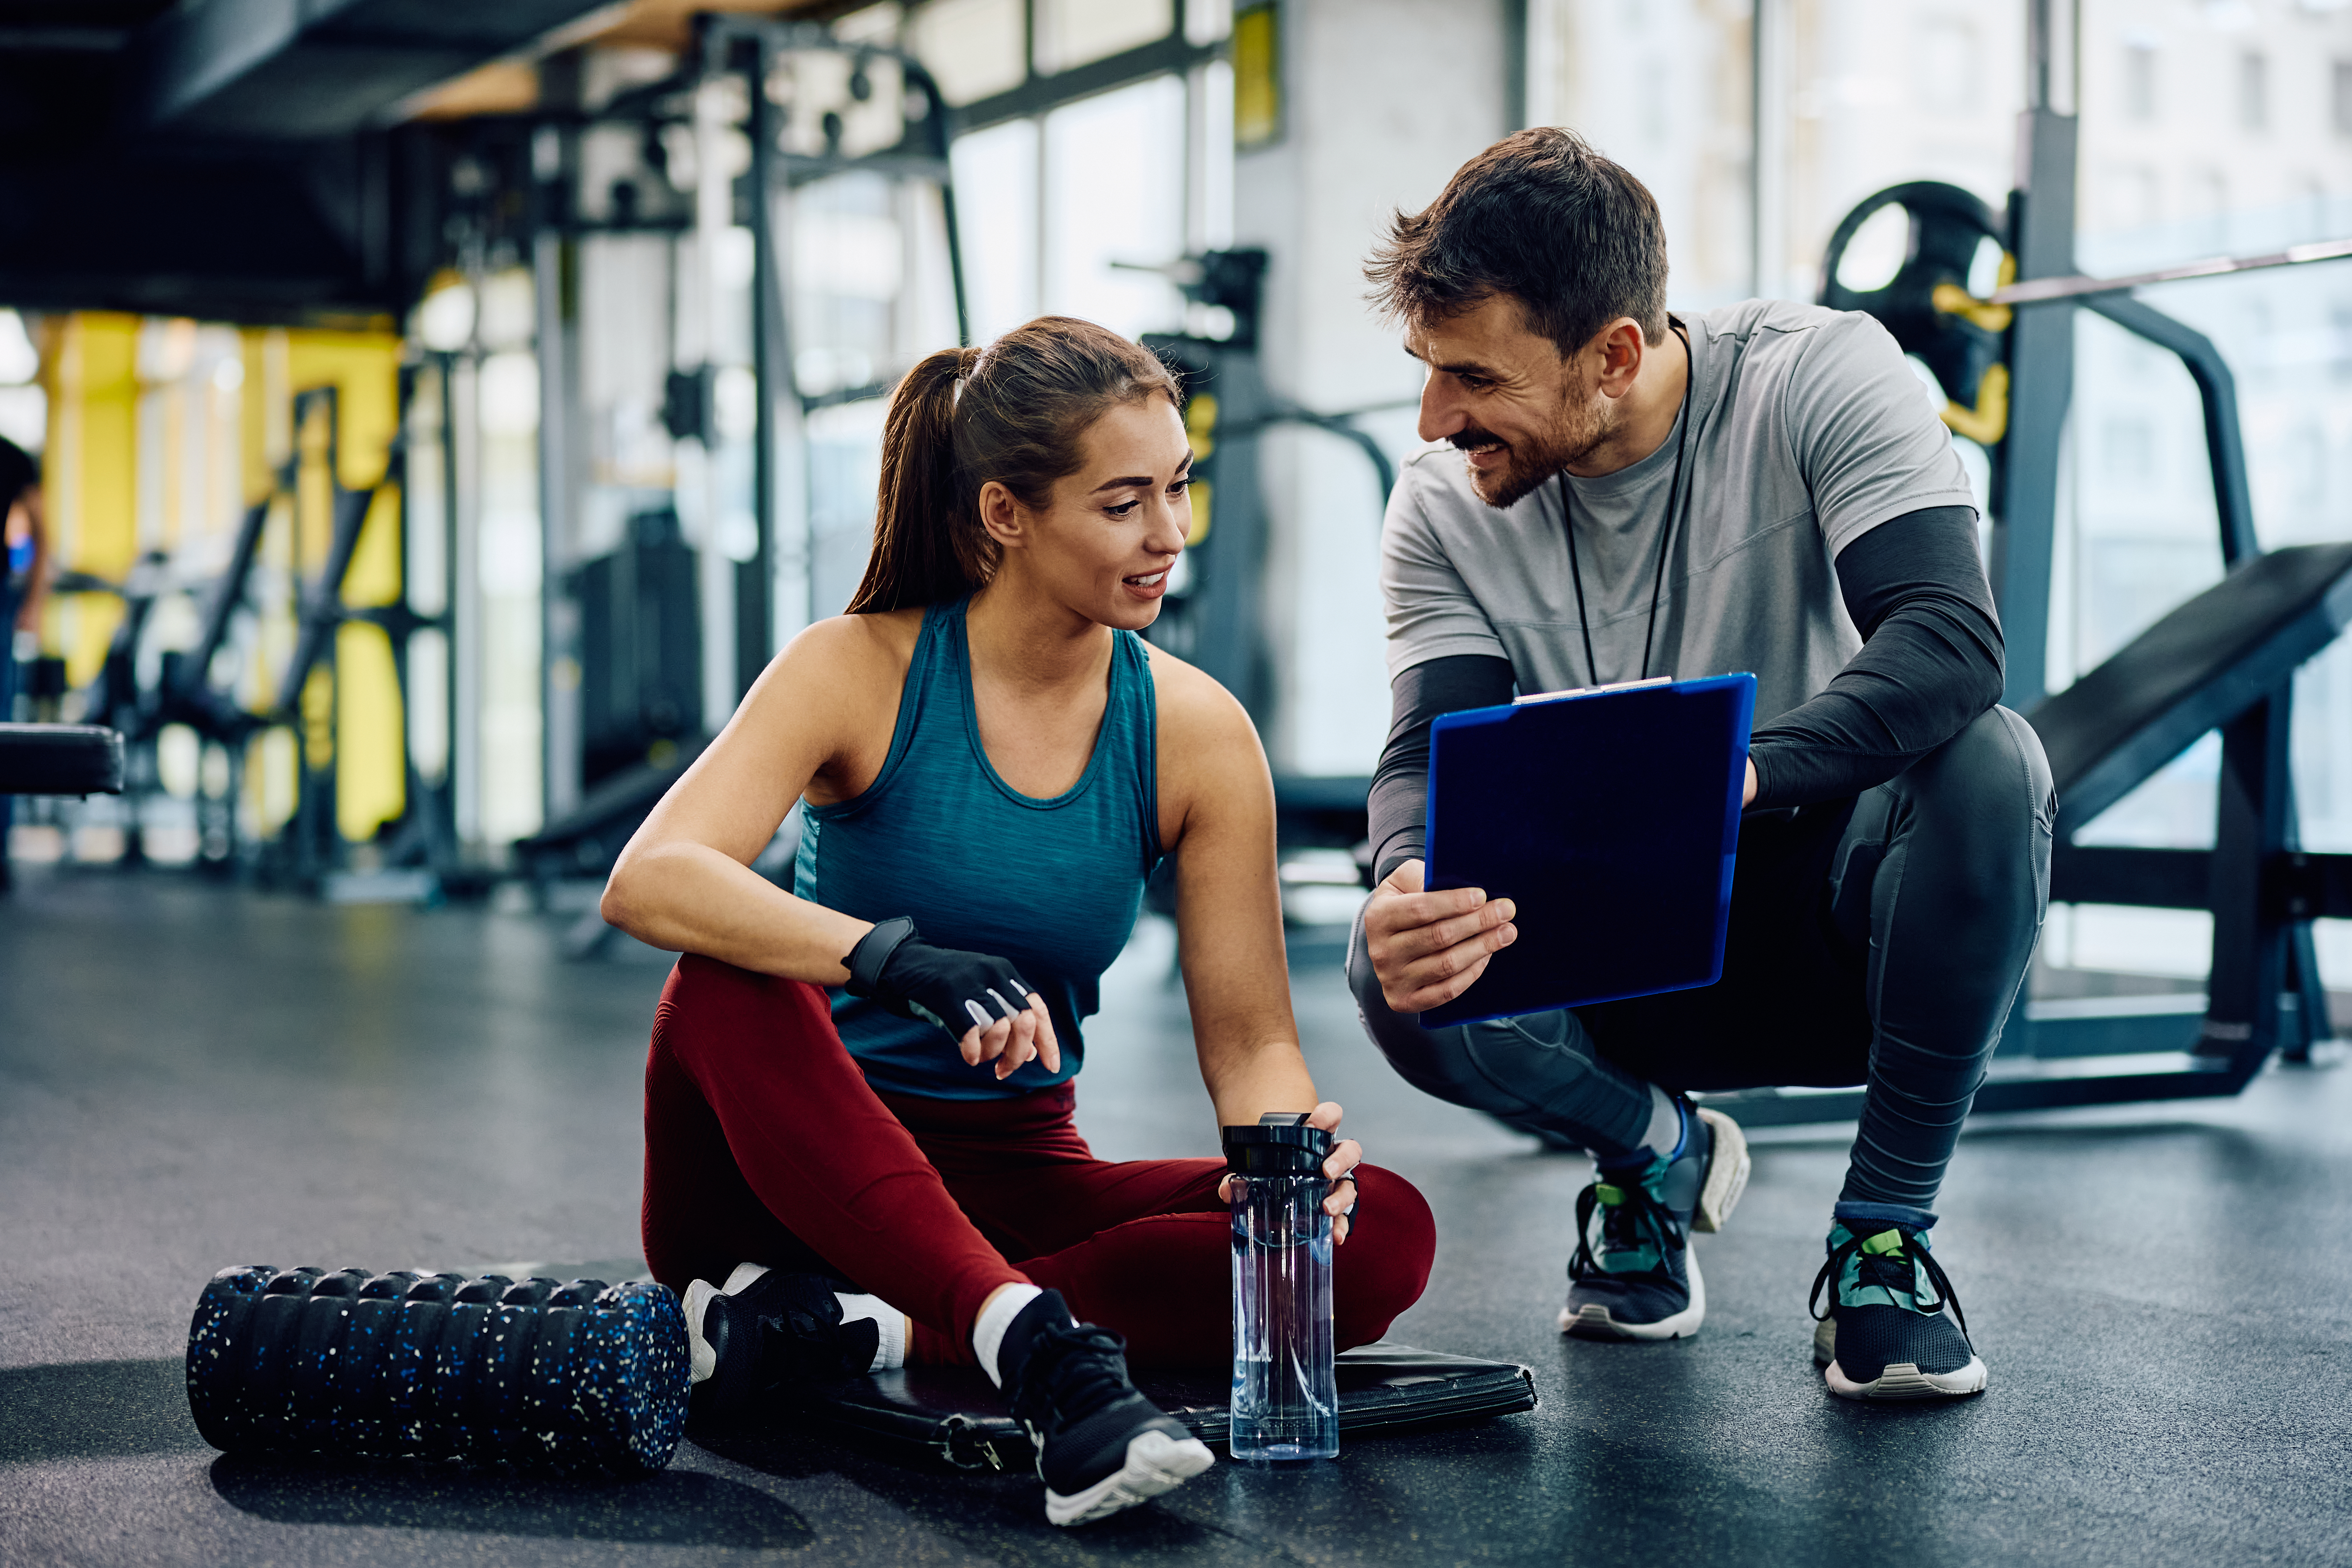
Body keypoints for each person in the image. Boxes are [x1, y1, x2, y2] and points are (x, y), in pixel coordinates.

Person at [602, 317, 1436, 1524]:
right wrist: (889, 958)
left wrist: (1285, 1170)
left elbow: (1253, 1039)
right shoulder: (861, 668)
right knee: (726, 974)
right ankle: (1038, 1347)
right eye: (1124, 502)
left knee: (1375, 1232)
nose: (1169, 534)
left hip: (1006, 1176)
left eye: (1180, 486)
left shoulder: (1195, 730)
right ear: (1007, 514)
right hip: (779, 1183)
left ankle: (874, 1323)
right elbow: (653, 875)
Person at [1350, 129, 2051, 1402]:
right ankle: (1652, 1151)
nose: (1435, 417)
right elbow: (1421, 751)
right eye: (1426, 369)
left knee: (1993, 764)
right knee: (1389, 952)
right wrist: (1403, 872)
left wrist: (1734, 772)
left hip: (1825, 918)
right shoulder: (1441, 500)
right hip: (1601, 942)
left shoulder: (1821, 375)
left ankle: (1882, 1241)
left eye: (1471, 376)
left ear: (1614, 354)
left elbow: (1949, 643)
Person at [0, 435, 47, 893]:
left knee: (1, 729)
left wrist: (34, 602)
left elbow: (41, 529)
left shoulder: (12, 458)